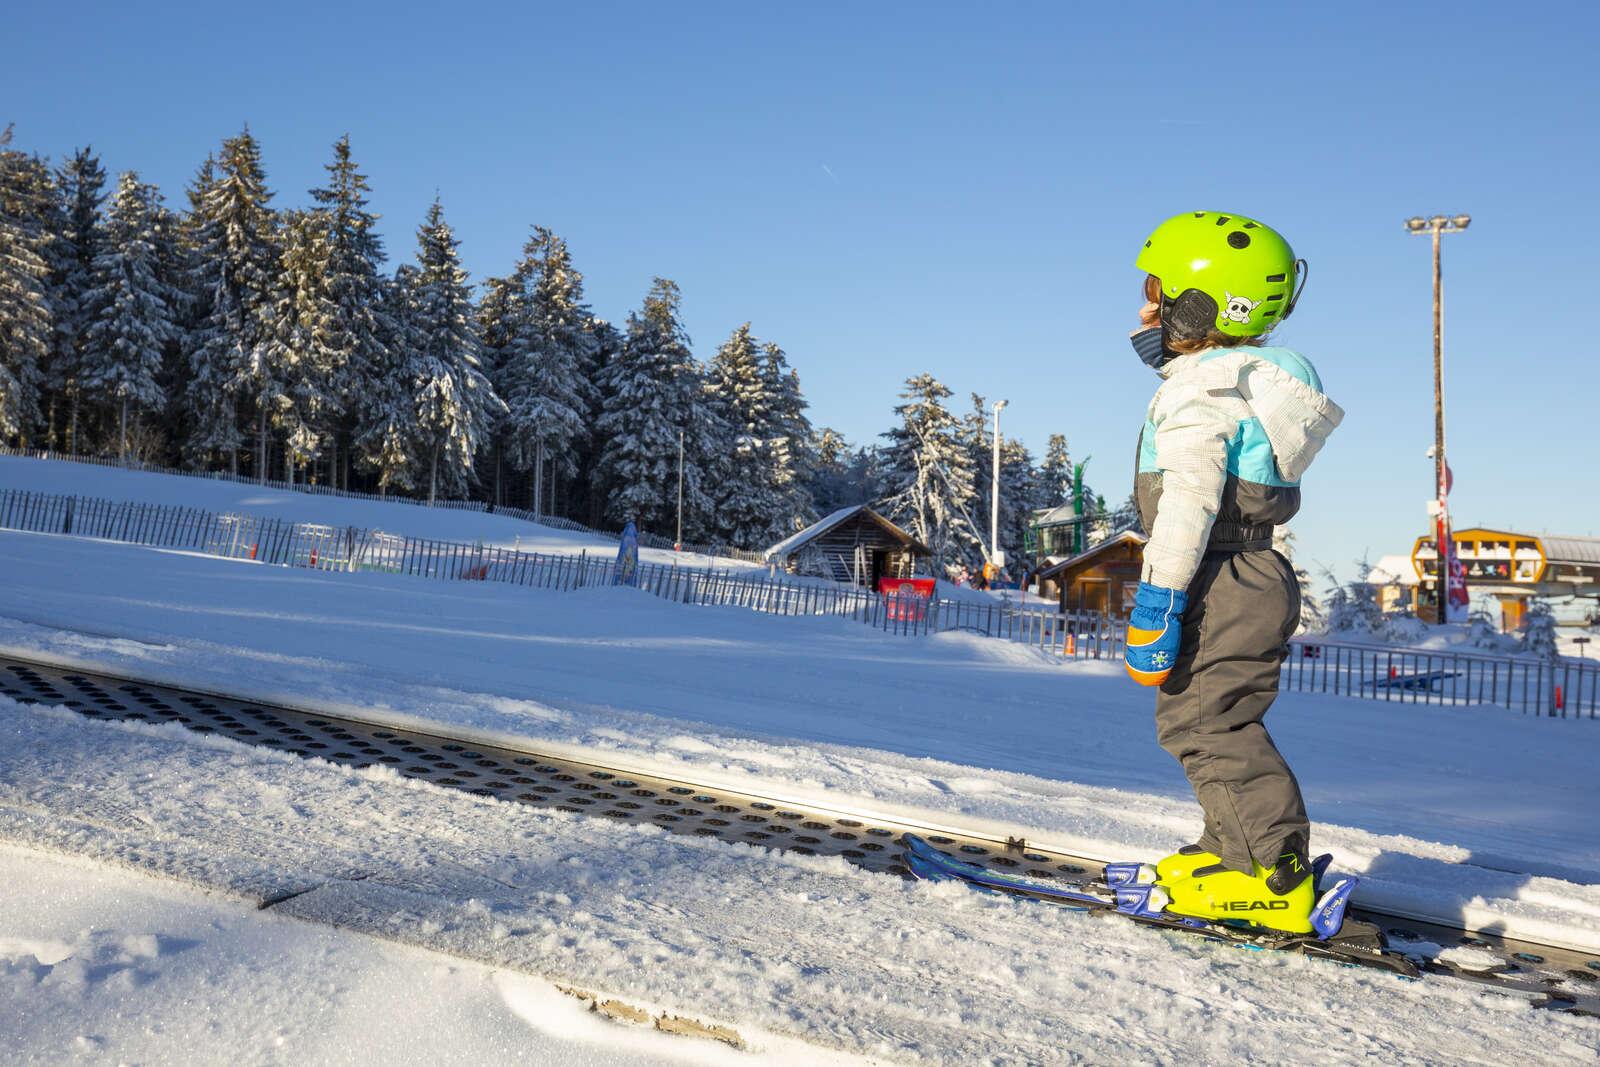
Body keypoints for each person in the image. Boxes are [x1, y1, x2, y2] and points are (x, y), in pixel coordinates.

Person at [1120, 211, 1344, 934]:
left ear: (1200, 305)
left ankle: (1271, 873)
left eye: (1157, 295)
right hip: (1251, 569)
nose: (1146, 311)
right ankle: (1233, 844)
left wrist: (1157, 599)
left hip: (1216, 573)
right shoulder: (1243, 384)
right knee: (1206, 714)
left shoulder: (1204, 391)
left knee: (1207, 721)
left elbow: (1187, 502)